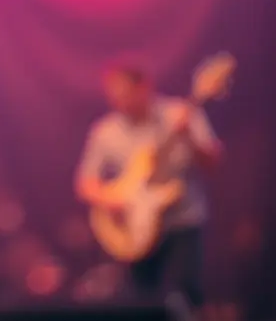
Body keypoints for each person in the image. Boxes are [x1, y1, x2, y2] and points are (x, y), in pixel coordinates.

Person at [75, 58, 223, 311]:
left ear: (144, 88)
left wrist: (188, 135)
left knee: (185, 296)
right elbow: (85, 182)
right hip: (136, 230)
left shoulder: (180, 114)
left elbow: (213, 163)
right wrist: (112, 199)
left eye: (124, 94)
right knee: (140, 300)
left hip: (181, 221)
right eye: (114, 96)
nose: (118, 102)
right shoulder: (106, 131)